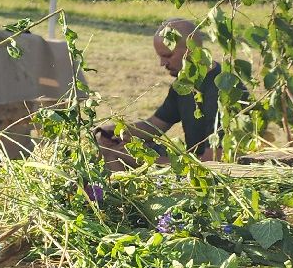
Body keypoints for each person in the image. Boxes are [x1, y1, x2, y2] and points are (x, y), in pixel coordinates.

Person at [94, 19, 219, 163]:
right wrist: (114, 131)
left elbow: (214, 162)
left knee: (117, 155)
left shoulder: (218, 91)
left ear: (190, 50)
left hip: (214, 172)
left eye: (167, 56)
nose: (162, 63)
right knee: (110, 148)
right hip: (194, 161)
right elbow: (154, 126)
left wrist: (147, 160)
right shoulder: (184, 84)